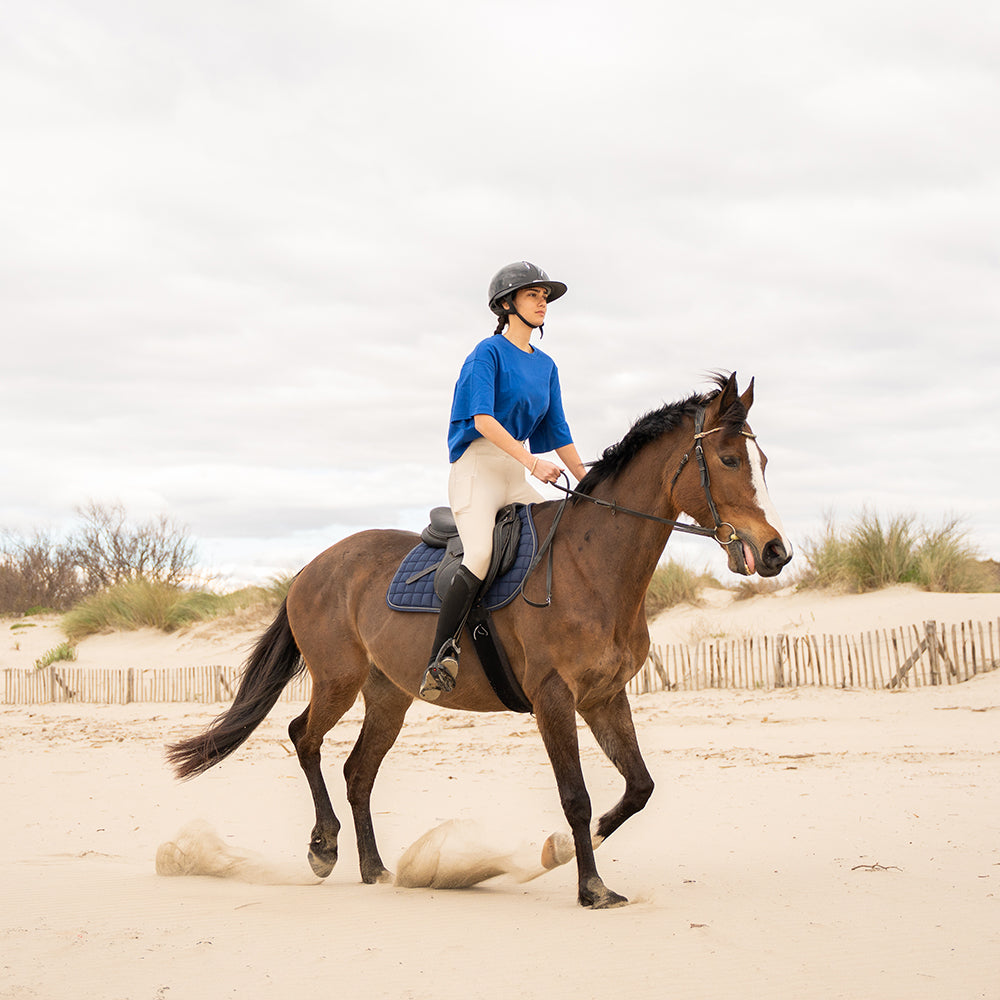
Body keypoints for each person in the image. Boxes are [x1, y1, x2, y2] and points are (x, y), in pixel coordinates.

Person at [419, 261, 587, 701]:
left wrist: (587, 482)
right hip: (478, 469)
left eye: (545, 297)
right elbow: (482, 419)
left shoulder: (546, 366)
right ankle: (440, 657)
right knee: (479, 554)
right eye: (533, 295)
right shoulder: (486, 354)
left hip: (514, 471)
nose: (542, 302)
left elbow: (559, 433)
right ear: (507, 304)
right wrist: (532, 463)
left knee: (554, 539)